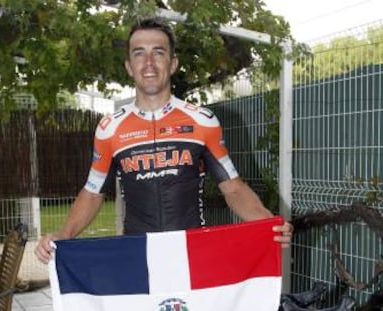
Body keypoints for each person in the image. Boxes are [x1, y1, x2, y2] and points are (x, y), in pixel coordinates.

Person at [35, 17, 293, 264]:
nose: (148, 62)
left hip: (193, 254)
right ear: (128, 66)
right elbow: (92, 194)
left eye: (158, 52)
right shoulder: (109, 129)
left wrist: (268, 222)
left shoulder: (203, 121)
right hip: (136, 256)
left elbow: (233, 188)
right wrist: (63, 235)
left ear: (172, 64)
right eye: (139, 53)